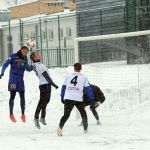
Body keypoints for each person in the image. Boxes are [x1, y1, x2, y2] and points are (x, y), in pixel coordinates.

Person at [57, 63, 94, 136]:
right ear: (81, 68)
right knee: (83, 114)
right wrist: (91, 98)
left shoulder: (68, 76)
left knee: (66, 115)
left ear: (74, 68)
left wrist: (62, 96)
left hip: (68, 97)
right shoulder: (84, 77)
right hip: (78, 98)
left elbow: (64, 87)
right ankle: (85, 130)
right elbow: (88, 88)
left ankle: (60, 128)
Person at [0, 46, 33, 123]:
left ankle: (23, 114)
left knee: (22, 97)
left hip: (20, 80)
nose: (26, 54)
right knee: (12, 96)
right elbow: (5, 64)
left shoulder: (25, 59)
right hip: (13, 79)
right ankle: (11, 114)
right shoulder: (13, 56)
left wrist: (31, 68)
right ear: (21, 50)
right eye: (25, 52)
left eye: (27, 53)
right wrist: (2, 73)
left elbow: (27, 68)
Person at [30, 52, 58, 129]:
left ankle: (42, 117)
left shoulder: (39, 64)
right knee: (42, 102)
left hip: (47, 84)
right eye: (37, 55)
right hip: (44, 85)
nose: (39, 55)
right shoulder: (37, 65)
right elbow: (45, 75)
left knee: (46, 101)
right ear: (34, 58)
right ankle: (36, 118)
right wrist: (53, 83)